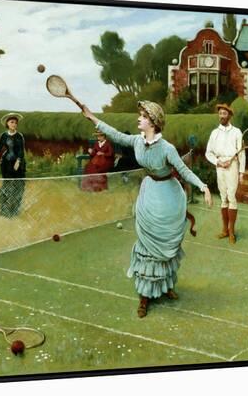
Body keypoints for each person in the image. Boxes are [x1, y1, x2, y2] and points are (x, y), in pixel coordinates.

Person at [81, 101, 212, 318]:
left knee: (166, 244)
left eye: (142, 116)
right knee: (146, 245)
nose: (138, 119)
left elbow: (183, 170)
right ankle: (144, 296)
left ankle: (166, 286)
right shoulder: (136, 141)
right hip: (149, 194)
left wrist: (203, 186)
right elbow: (113, 133)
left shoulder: (167, 148)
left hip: (168, 196)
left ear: (152, 121)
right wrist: (92, 117)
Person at [205, 103, 245, 244]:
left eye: (224, 113)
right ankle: (225, 230)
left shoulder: (237, 132)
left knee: (231, 197)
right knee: (223, 198)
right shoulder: (214, 133)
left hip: (232, 167)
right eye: (220, 113)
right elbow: (208, 152)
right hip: (220, 167)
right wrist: (218, 162)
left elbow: (241, 154)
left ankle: (232, 231)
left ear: (229, 115)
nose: (222, 116)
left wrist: (241, 172)